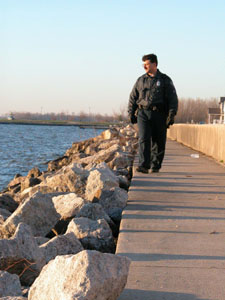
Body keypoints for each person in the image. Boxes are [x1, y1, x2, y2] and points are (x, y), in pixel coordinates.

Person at [128, 53, 178, 173]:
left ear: (154, 64)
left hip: (159, 114)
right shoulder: (140, 80)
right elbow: (133, 97)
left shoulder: (165, 80)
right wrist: (131, 112)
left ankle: (155, 165)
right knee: (144, 138)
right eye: (143, 64)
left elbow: (173, 99)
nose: (144, 67)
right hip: (143, 113)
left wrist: (171, 115)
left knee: (158, 141)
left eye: (147, 64)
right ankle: (144, 165)